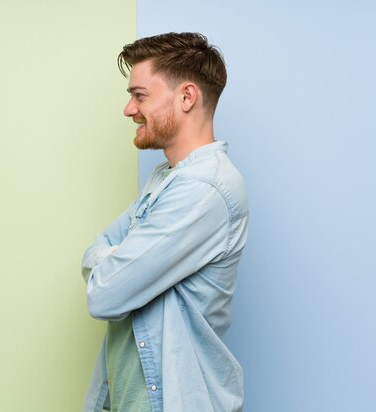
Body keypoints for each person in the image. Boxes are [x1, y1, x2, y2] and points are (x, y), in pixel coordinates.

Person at [81, 32, 249, 412]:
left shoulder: (205, 190)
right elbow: (96, 249)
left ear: (187, 97)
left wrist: (113, 261)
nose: (129, 109)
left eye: (140, 95)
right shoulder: (165, 179)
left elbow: (104, 293)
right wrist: (117, 259)